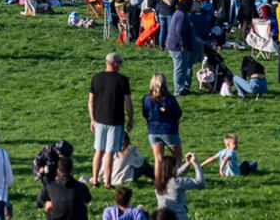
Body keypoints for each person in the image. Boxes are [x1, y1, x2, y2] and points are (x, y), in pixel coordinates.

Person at [88, 52, 134, 187]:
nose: (120, 65)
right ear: (114, 64)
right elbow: (128, 102)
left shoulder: (96, 78)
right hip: (115, 121)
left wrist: (92, 119)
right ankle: (107, 182)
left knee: (98, 151)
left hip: (99, 120)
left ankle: (95, 179)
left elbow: (91, 101)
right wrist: (131, 118)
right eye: (119, 63)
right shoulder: (123, 80)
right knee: (110, 152)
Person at [141, 73, 182, 174]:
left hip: (153, 131)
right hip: (169, 130)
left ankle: (158, 181)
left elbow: (145, 114)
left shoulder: (146, 99)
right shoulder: (170, 99)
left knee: (158, 159)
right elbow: (178, 113)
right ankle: (176, 178)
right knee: (177, 157)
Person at [35, 152, 91, 220]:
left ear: (57, 170)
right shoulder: (82, 187)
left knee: (48, 205)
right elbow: (88, 199)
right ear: (72, 169)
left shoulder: (50, 186)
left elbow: (39, 203)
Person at [152, 153, 205, 220]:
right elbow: (200, 183)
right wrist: (196, 164)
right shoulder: (177, 182)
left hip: (162, 216)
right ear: (172, 168)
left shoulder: (158, 182)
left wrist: (188, 163)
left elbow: (176, 174)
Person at [163, 0, 195, 96]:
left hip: (175, 45)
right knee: (179, 68)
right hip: (177, 47)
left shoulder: (179, 13)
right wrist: (183, 44)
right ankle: (178, 90)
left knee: (184, 67)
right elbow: (179, 31)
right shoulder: (181, 15)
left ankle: (184, 87)